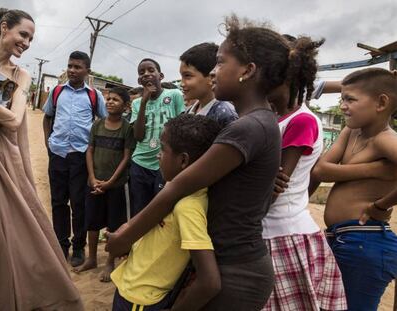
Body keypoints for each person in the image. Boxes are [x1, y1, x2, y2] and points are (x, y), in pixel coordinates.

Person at [106, 15, 301, 309]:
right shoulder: (259, 122)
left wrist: (125, 237)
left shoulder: (247, 128)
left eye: (221, 62)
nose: (213, 71)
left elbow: (179, 185)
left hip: (236, 273)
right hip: (232, 263)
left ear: (248, 71)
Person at [0, 8, 83, 310]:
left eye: (31, 39)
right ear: (4, 28)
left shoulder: (20, 74)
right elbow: (2, 116)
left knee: (0, 235)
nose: (26, 43)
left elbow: (13, 121)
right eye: (22, 34)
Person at [262, 36, 347, 310]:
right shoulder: (276, 117)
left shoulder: (301, 120)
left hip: (282, 235)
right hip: (271, 232)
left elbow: (277, 186)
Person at [111, 114, 222, 310]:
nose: (158, 154)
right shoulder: (179, 193)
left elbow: (210, 282)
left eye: (163, 149)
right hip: (135, 290)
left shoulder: (187, 206)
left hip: (141, 299)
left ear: (183, 161)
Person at [310, 68, 397, 311]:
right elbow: (320, 170)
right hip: (346, 239)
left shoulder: (385, 139)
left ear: (381, 103)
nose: (343, 106)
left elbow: (327, 169)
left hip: (366, 240)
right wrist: (375, 170)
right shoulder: (352, 131)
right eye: (342, 99)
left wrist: (381, 205)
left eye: (350, 99)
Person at [42, 50, 107, 267]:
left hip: (81, 156)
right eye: (70, 66)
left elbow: (104, 123)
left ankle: (78, 246)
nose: (72, 70)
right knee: (58, 202)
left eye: (77, 67)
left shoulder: (94, 95)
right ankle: (61, 244)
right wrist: (48, 144)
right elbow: (47, 118)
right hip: (58, 154)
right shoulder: (58, 91)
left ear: (87, 71)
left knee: (79, 203)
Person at [74, 87, 134, 282]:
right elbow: (89, 151)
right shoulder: (97, 125)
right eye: (108, 99)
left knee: (113, 225)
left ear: (125, 106)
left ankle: (109, 262)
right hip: (94, 183)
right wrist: (92, 178)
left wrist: (110, 182)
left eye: (115, 100)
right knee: (92, 222)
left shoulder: (127, 128)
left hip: (115, 186)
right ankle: (92, 258)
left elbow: (126, 157)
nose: (109, 102)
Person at [129, 58, 185, 216]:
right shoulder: (137, 103)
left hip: (166, 164)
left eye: (150, 70)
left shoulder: (174, 95)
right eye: (142, 73)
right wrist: (143, 102)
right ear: (139, 80)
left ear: (160, 75)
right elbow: (138, 136)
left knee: (163, 212)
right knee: (140, 210)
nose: (146, 74)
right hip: (141, 163)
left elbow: (181, 127)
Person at [180, 42, 238, 128]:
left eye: (187, 76)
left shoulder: (226, 115)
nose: (182, 84)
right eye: (182, 76)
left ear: (211, 77)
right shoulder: (189, 113)